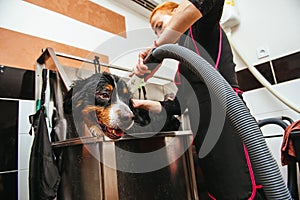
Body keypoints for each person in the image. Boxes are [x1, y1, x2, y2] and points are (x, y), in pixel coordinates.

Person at [131, 0, 266, 199]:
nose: (159, 34)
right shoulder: (183, 65)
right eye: (156, 32)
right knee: (219, 191)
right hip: (206, 140)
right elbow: (177, 105)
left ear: (177, 13)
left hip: (229, 128)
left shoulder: (201, 31)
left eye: (160, 26)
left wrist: (158, 50)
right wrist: (141, 104)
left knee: (239, 190)